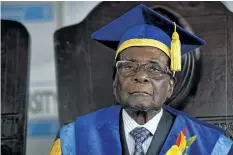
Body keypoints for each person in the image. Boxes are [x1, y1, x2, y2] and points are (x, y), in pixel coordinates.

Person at [49, 4, 233, 155]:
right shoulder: (74, 140)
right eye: (129, 66)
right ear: (115, 82)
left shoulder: (211, 146)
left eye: (154, 68)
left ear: (170, 86)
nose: (141, 76)